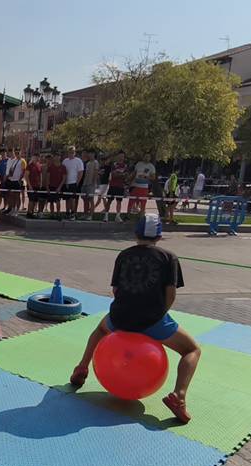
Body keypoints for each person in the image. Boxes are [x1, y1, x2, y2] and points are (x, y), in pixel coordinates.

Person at [69, 213, 200, 424]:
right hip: (152, 319)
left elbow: (116, 289)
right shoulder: (169, 258)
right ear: (159, 235)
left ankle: (82, 367)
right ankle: (179, 396)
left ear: (136, 233)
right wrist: (157, 317)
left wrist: (125, 311)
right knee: (192, 350)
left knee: (100, 330)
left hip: (120, 316)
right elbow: (171, 294)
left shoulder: (124, 255)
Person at [104, 152, 129, 222]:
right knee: (109, 201)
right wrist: (121, 174)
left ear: (124, 158)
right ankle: (106, 216)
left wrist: (120, 174)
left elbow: (126, 175)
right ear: (117, 157)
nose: (121, 158)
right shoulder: (114, 165)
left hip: (120, 186)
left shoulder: (125, 166)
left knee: (119, 201)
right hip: (112, 185)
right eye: (120, 156)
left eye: (122, 156)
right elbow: (114, 174)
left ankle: (117, 216)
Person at [61, 146, 85, 220]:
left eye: (73, 152)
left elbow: (81, 173)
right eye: (70, 152)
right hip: (66, 183)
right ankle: (67, 213)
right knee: (67, 199)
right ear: (67, 152)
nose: (71, 153)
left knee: (73, 199)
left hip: (74, 183)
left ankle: (73, 214)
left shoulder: (78, 161)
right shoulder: (65, 161)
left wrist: (77, 183)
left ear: (75, 152)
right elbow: (63, 172)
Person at [81, 151, 100, 219]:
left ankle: (90, 215)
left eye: (92, 153)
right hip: (85, 183)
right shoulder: (88, 163)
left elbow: (96, 172)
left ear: (94, 154)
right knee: (84, 199)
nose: (90, 155)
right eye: (90, 153)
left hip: (91, 184)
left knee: (91, 199)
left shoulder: (96, 162)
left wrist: (93, 183)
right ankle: (85, 214)